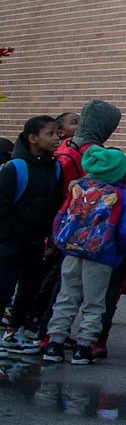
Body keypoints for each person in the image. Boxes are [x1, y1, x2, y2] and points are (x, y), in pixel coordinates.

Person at [41, 145, 126, 365]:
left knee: (66, 297)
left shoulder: (78, 188)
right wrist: (117, 253)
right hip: (101, 255)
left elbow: (61, 217)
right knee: (94, 302)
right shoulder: (125, 197)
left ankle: (54, 343)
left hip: (72, 251)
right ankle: (83, 347)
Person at [0, 115, 62, 354]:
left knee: (29, 288)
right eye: (50, 134)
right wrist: (5, 237)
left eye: (57, 133)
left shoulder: (54, 167)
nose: (56, 138)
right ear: (33, 138)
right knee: (4, 288)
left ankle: (14, 333)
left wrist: (49, 238)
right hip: (11, 240)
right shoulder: (14, 167)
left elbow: (52, 204)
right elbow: (3, 206)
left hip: (36, 240)